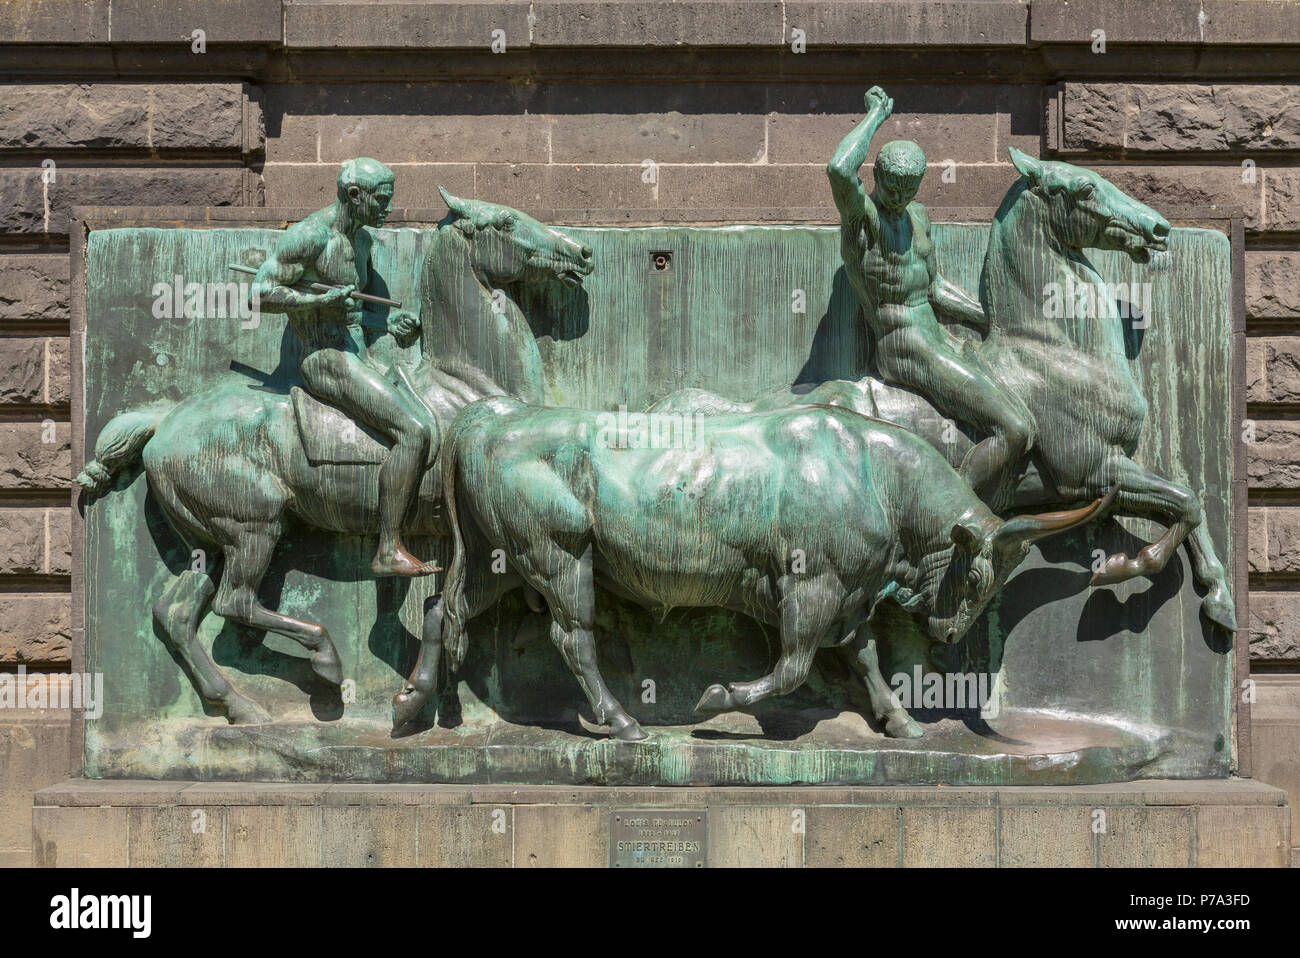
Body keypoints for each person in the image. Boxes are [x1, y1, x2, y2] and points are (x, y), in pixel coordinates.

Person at [827, 86, 1035, 507]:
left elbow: (936, 288)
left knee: (1025, 416)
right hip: (905, 345)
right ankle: (954, 516)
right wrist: (874, 118)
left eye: (911, 189)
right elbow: (838, 170)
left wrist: (987, 318)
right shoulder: (862, 222)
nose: (901, 198)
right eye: (894, 188)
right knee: (1012, 428)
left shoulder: (918, 216)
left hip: (937, 337)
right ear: (878, 179)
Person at [254, 157, 437, 577]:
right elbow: (258, 293)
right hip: (323, 357)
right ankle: (388, 549)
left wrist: (386, 321)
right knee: (414, 430)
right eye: (382, 200)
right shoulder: (309, 238)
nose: (388, 208)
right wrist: (313, 302)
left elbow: (355, 311)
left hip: (356, 347)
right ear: (355, 196)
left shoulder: (364, 242)